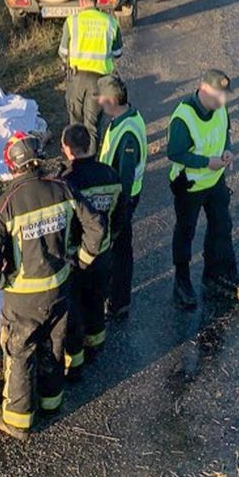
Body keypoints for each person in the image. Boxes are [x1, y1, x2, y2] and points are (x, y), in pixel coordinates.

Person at [0, 132, 103, 441]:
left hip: (22, 296)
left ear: (12, 164)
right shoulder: (63, 188)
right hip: (59, 287)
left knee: (19, 352)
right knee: (53, 343)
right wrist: (83, 260)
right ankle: (51, 401)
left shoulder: (5, 204)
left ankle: (18, 420)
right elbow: (96, 226)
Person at [167, 69, 239, 309]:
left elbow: (225, 133)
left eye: (225, 96)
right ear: (203, 89)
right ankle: (182, 284)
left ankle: (220, 277)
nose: (223, 101)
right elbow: (174, 153)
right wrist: (207, 162)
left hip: (215, 181)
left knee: (222, 227)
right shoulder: (183, 117)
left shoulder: (220, 108)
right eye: (219, 96)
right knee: (186, 233)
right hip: (190, 186)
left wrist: (228, 150)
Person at [58, 125, 118, 380]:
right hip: (103, 252)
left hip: (75, 256)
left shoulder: (66, 183)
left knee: (74, 306)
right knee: (96, 298)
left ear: (67, 149)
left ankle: (76, 358)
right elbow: (121, 215)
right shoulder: (110, 174)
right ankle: (97, 343)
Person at [96, 75, 147, 320]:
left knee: (120, 250)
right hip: (121, 198)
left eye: (101, 98)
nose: (98, 103)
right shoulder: (128, 118)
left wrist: (118, 210)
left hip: (121, 201)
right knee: (119, 249)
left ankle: (118, 303)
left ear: (112, 100)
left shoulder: (126, 134)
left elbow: (125, 179)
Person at [58, 0, 122, 151]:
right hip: (100, 81)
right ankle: (92, 163)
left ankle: (75, 161)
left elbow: (63, 52)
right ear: (96, 1)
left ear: (81, 2)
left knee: (75, 124)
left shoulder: (72, 21)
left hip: (76, 78)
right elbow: (118, 52)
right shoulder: (110, 22)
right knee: (92, 126)